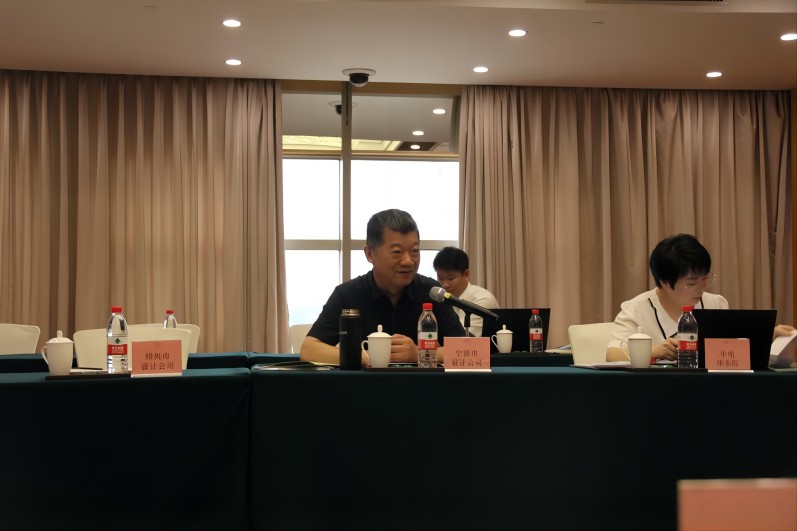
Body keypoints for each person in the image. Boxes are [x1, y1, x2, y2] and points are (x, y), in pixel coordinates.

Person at [300, 209, 466, 365]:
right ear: (370, 254)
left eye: (415, 251)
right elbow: (309, 349)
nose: (408, 261)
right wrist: (366, 356)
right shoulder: (348, 294)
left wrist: (419, 353)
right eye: (397, 252)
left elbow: (465, 351)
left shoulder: (431, 292)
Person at [606, 233, 794, 362]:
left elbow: (732, 349)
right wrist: (652, 352)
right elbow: (612, 354)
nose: (702, 287)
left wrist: (769, 335)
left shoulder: (715, 303)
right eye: (692, 282)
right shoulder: (637, 309)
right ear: (665, 282)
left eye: (705, 278)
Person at [432, 246, 500, 337]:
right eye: (440, 278)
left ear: (466, 274)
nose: (444, 285)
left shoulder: (483, 300)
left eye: (450, 278)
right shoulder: (441, 299)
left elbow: (463, 338)